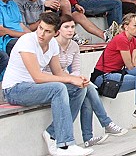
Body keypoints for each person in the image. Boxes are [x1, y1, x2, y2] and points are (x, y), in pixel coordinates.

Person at [2, 12, 93, 156]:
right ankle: (65, 145)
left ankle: (52, 133)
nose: (41, 34)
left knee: (78, 89)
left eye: (47, 31)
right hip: (14, 90)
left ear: (56, 33)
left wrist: (76, 78)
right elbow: (37, 77)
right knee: (58, 88)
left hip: (33, 88)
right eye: (40, 28)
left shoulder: (52, 45)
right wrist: (69, 79)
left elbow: (58, 73)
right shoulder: (27, 41)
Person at [51, 15, 128, 148]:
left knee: (87, 87)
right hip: (53, 80)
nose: (70, 30)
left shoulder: (74, 45)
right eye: (66, 27)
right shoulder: (53, 45)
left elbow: (75, 69)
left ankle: (89, 138)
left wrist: (78, 78)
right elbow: (55, 72)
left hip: (67, 79)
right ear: (59, 29)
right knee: (86, 88)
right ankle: (105, 123)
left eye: (72, 27)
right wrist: (74, 79)